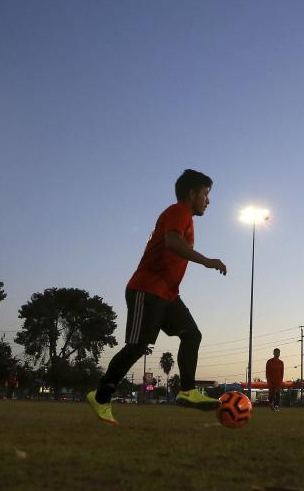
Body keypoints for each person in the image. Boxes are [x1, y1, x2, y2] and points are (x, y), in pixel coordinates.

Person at [87, 169, 227, 425]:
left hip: (167, 293)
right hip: (147, 288)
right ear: (192, 193)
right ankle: (101, 396)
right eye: (206, 194)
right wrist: (206, 261)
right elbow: (172, 242)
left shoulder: (185, 217)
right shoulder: (178, 211)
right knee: (138, 346)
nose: (208, 200)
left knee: (191, 334)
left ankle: (187, 390)